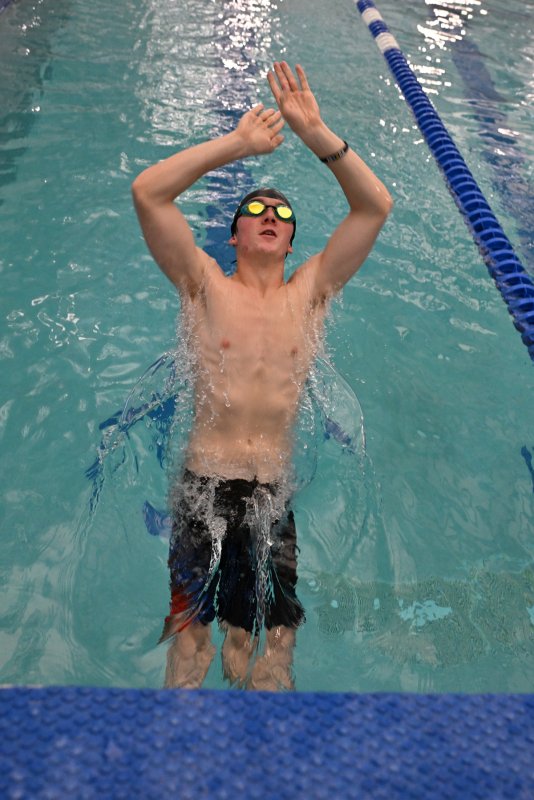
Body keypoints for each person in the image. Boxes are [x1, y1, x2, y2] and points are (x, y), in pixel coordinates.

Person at [131, 62, 392, 690]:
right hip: (203, 486)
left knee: (268, 648)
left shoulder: (312, 294)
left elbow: (374, 206)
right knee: (191, 641)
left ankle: (267, 765)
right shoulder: (201, 285)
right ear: (236, 232)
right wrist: (238, 146)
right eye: (255, 207)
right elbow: (149, 192)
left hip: (274, 493)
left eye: (281, 211)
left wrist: (317, 133)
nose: (269, 212)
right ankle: (178, 763)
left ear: (294, 240)